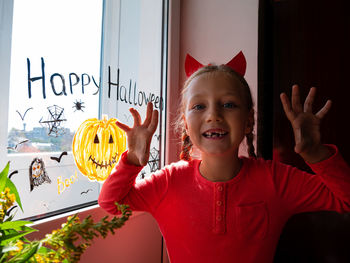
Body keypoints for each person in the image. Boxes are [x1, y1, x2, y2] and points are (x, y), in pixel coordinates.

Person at [98, 61, 350, 263]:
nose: (213, 115)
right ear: (186, 124)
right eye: (199, 106)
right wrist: (131, 161)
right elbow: (111, 202)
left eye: (228, 104)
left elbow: (345, 199)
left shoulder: (276, 180)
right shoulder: (168, 181)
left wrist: (315, 152)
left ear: (248, 121)